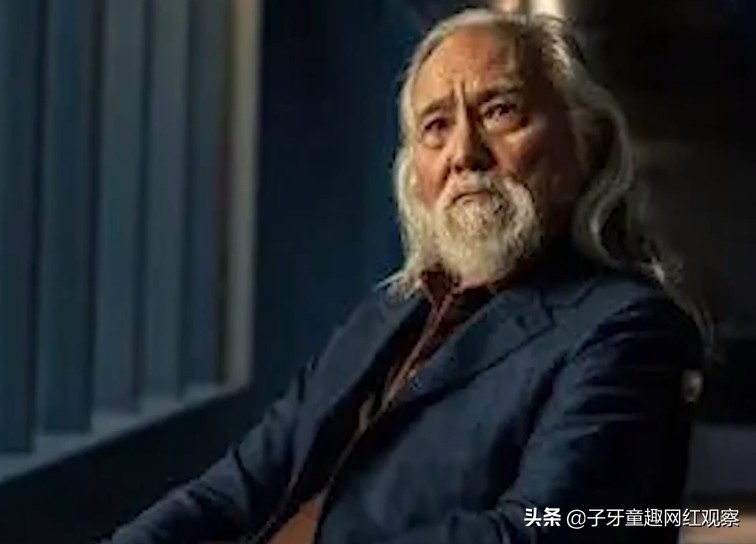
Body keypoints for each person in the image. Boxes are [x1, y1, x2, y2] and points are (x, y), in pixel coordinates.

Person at [104, 8, 705, 544]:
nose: (464, 153)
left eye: (500, 110)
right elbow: (238, 487)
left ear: (588, 143)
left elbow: (543, 531)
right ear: (414, 173)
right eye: (436, 126)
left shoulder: (627, 329)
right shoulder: (393, 311)